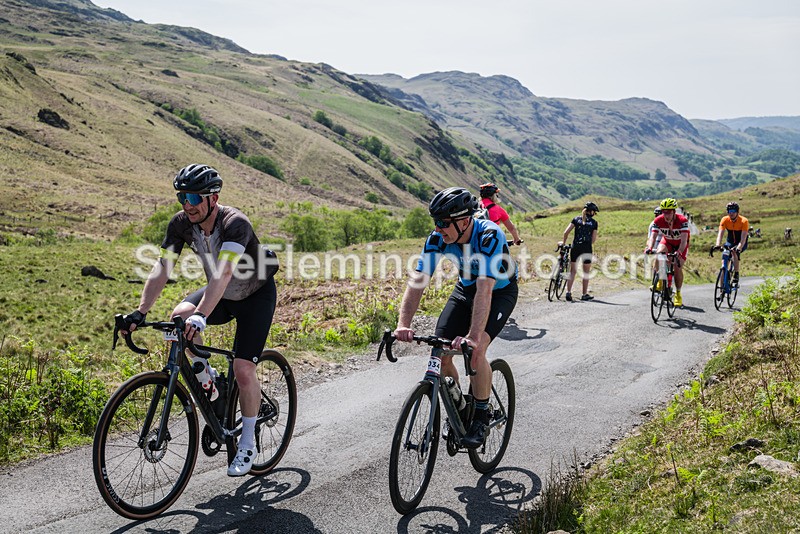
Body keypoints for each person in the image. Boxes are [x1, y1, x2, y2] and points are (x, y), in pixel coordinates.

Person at [120, 164, 278, 477]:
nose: (187, 204)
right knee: (178, 317)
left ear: (213, 198)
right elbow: (162, 268)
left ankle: (247, 443)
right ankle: (211, 383)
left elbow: (224, 273)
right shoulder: (181, 223)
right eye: (182, 197)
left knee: (243, 369)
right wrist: (140, 312)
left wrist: (202, 315)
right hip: (222, 294)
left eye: (193, 197)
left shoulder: (235, 224)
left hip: (254, 296)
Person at [394, 187, 518, 449]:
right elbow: (418, 281)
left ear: (463, 222)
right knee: (440, 352)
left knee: (476, 350)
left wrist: (473, 337)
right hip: (466, 288)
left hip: (499, 291)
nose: (437, 228)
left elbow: (485, 289)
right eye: (435, 222)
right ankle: (460, 407)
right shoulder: (438, 238)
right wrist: (403, 324)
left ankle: (481, 416)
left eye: (443, 222)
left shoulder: (489, 235)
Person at [645, 197, 690, 307]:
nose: (666, 215)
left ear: (674, 211)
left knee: (677, 267)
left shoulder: (682, 221)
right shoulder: (658, 220)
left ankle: (678, 294)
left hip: (680, 244)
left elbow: (684, 241)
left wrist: (679, 252)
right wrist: (649, 248)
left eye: (668, 212)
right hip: (667, 242)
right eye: (664, 212)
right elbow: (653, 237)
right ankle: (660, 280)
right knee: (659, 254)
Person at [558, 201, 599, 302]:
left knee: (573, 271)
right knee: (586, 273)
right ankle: (584, 294)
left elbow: (566, 232)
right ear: (592, 212)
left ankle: (568, 292)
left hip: (575, 247)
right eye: (594, 212)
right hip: (587, 248)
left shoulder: (576, 219)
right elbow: (593, 240)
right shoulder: (594, 223)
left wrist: (564, 242)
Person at [715, 201, 749, 286]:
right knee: (724, 259)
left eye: (733, 211)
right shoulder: (725, 220)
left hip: (741, 242)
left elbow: (743, 238)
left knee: (734, 253)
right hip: (730, 242)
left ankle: (736, 274)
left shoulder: (744, 221)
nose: (731, 213)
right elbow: (720, 234)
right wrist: (717, 245)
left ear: (737, 212)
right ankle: (722, 288)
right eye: (730, 211)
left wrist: (738, 248)